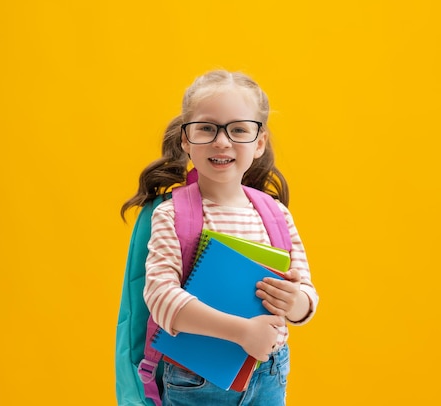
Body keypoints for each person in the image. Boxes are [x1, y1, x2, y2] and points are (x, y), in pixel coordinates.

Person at [121, 70, 318, 405]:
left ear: (259, 142)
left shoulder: (276, 214)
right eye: (207, 128)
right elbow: (160, 298)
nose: (222, 141)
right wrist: (242, 333)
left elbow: (306, 296)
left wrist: (295, 302)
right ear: (186, 139)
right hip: (196, 378)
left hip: (268, 371)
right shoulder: (172, 214)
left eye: (238, 129)